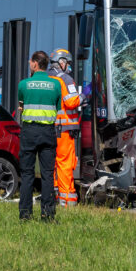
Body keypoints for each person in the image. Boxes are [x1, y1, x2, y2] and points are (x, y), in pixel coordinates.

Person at [18, 51, 62, 221]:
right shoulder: (55, 84)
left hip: (29, 131)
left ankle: (25, 214)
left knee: (27, 173)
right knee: (47, 174)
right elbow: (56, 107)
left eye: (31, 62)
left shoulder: (24, 84)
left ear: (35, 64)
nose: (30, 64)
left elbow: (21, 105)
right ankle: (48, 215)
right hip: (47, 132)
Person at [47, 48, 80, 207]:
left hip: (48, 129)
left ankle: (54, 196)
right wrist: (84, 96)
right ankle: (68, 200)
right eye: (68, 63)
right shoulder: (65, 79)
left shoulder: (46, 78)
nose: (69, 67)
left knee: (51, 164)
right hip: (64, 130)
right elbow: (72, 102)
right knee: (65, 163)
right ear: (62, 62)